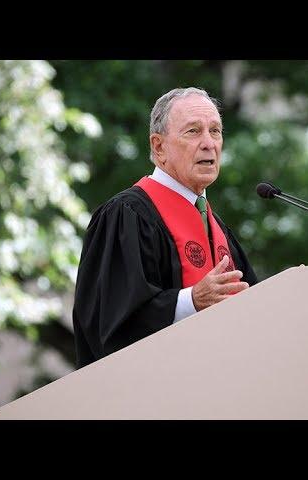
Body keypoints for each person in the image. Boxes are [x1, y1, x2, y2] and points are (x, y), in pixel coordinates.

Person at [72, 87, 258, 368]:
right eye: (193, 131)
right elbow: (111, 326)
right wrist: (191, 301)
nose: (209, 143)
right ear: (159, 147)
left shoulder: (218, 228)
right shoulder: (127, 215)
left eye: (215, 131)